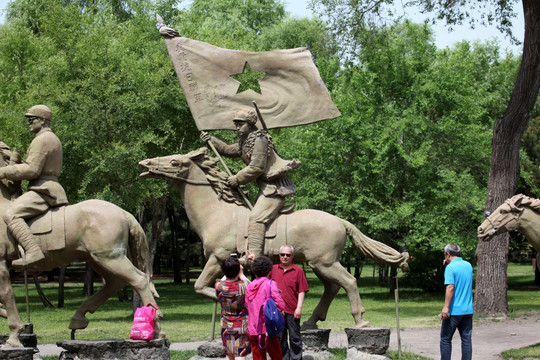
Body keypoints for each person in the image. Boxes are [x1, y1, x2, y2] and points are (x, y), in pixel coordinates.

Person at [200, 108, 300, 260]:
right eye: (236, 124)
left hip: (274, 189)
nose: (237, 127)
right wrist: (211, 140)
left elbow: (257, 167)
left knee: (256, 219)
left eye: (240, 124)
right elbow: (227, 149)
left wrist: (237, 179)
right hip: (265, 188)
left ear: (250, 123)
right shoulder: (245, 141)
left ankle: (253, 257)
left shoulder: (260, 139)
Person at [0, 105, 68, 268]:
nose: (29, 122)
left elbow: (32, 170)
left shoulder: (43, 139)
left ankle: (33, 251)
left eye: (32, 119)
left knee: (11, 214)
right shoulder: (48, 138)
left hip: (43, 190)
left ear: (43, 120)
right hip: (45, 186)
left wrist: (4, 171)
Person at [271, 245, 309, 360]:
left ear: (292, 256)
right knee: (280, 338)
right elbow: (259, 275)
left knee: (295, 337)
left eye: (288, 255)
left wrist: (299, 308)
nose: (285, 257)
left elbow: (302, 290)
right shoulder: (273, 269)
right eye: (283, 255)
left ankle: (296, 358)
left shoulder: (298, 271)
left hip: (292, 310)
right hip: (277, 311)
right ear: (279, 256)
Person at [246, 256, 285, 360]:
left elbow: (247, 304)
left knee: (258, 356)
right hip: (268, 327)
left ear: (254, 271)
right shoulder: (270, 283)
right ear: (269, 270)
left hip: (253, 328)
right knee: (276, 355)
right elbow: (280, 303)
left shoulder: (250, 286)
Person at [440, 244, 473, 360]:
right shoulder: (468, 265)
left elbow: (450, 287)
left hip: (454, 310)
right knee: (466, 340)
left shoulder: (450, 268)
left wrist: (446, 307)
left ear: (448, 254)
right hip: (468, 310)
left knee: (445, 339)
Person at [215, 255, 251, 360]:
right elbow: (251, 285)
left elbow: (223, 279)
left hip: (226, 325)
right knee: (240, 355)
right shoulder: (243, 285)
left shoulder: (218, 286)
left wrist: (228, 268)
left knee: (229, 355)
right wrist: (241, 273)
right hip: (241, 324)